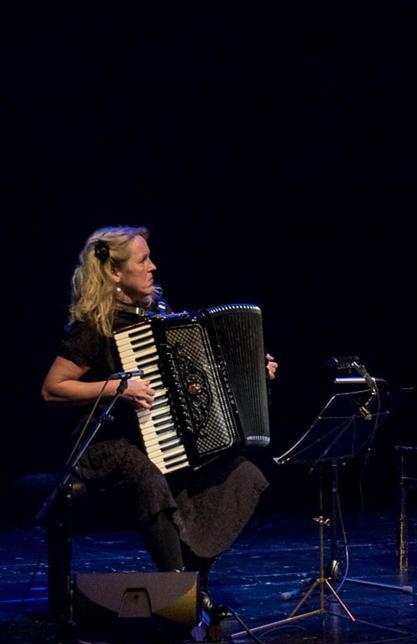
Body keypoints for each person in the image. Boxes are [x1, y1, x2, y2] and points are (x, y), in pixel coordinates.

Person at [41, 226, 277, 617]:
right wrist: (118, 389)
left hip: (160, 438)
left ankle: (190, 584)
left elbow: (194, 383)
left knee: (242, 475)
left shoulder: (158, 315)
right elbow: (53, 388)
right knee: (148, 477)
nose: (153, 266)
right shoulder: (94, 326)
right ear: (115, 273)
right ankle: (179, 594)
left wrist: (251, 372)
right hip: (107, 443)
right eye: (143, 260)